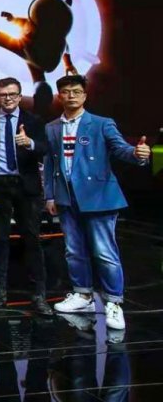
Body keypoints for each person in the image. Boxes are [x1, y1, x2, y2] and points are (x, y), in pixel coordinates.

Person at [44, 75, 151, 331]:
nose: (71, 96)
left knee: (104, 252)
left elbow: (121, 149)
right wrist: (50, 195)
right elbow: (49, 163)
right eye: (66, 92)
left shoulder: (102, 123)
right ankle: (83, 295)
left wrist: (138, 154)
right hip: (67, 197)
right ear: (59, 96)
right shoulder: (52, 127)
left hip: (99, 197)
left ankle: (114, 302)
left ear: (85, 95)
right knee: (73, 250)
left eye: (76, 91)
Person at [0, 77, 52, 315]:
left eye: (12, 94)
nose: (8, 98)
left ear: (20, 96)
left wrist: (30, 143)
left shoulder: (34, 121)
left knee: (32, 238)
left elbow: (45, 149)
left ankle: (39, 294)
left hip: (26, 186)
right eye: (3, 95)